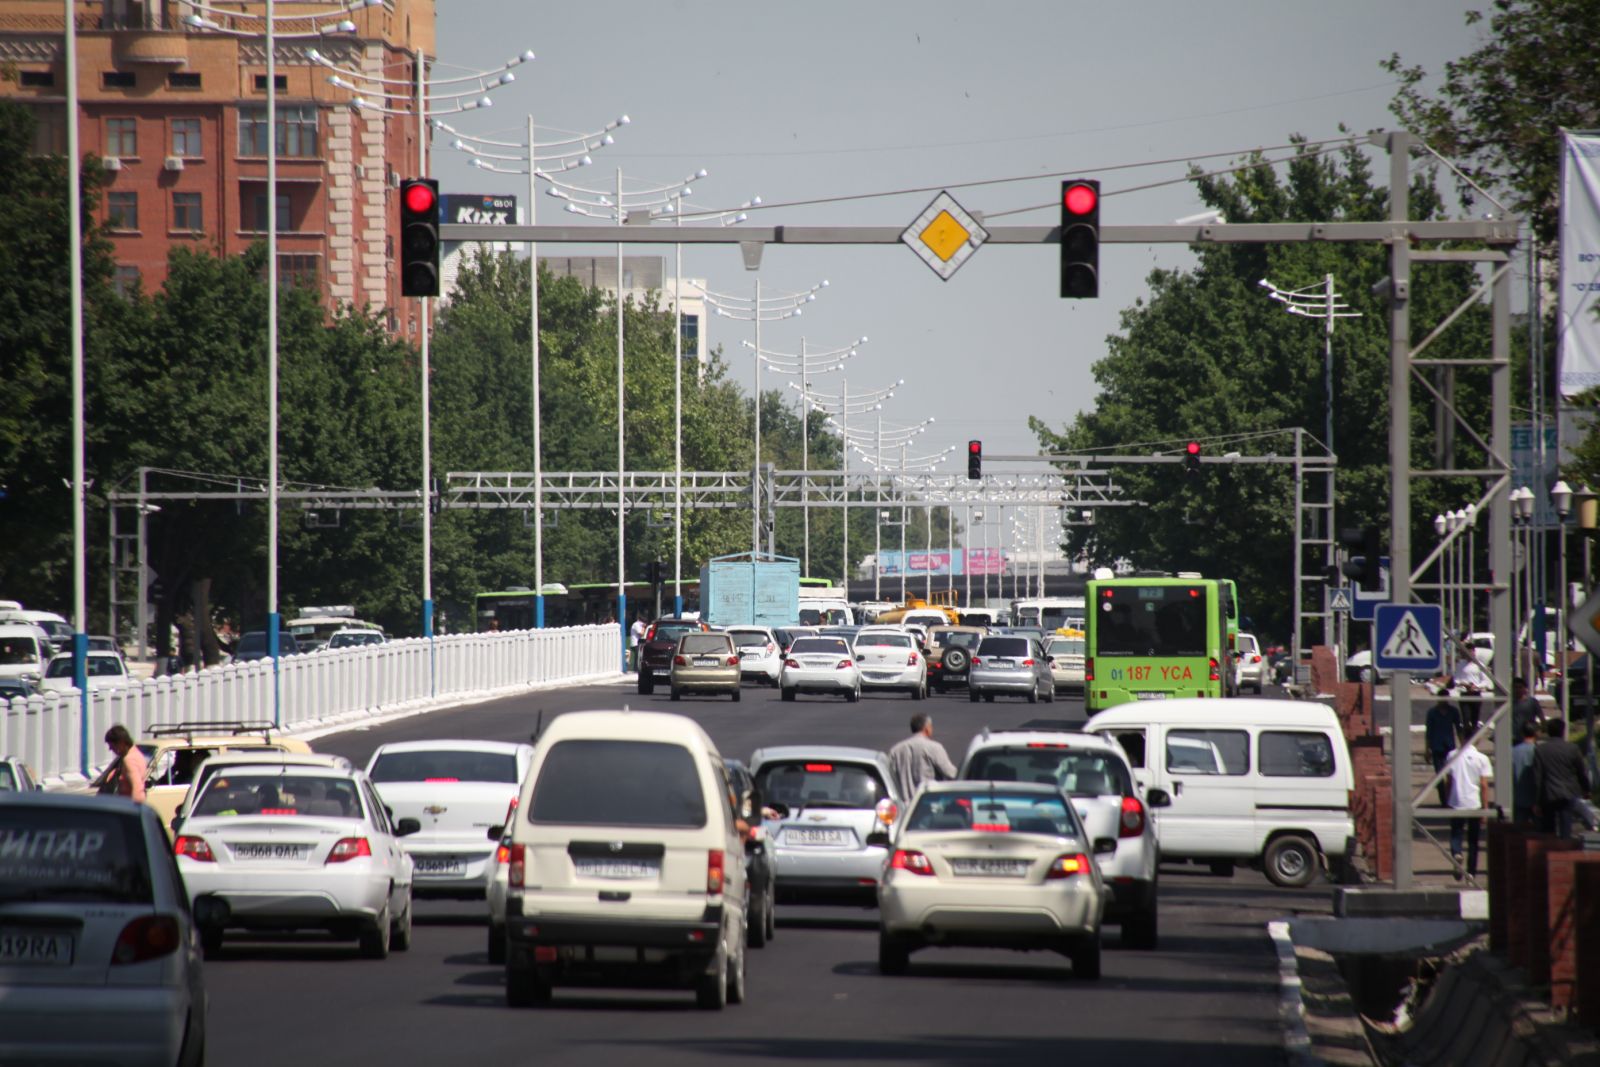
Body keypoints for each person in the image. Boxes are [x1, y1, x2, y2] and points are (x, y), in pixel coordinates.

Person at [1445, 731, 1493, 881]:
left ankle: (1457, 853)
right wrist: (1485, 809)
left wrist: (1447, 800)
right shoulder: (1482, 758)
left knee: (1456, 833)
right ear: (1477, 740)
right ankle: (1471, 873)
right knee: (1473, 840)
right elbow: (1484, 785)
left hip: (1456, 800)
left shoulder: (1452, 755)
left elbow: (1449, 780)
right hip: (1474, 803)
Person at [1533, 718, 1592, 838]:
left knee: (1548, 827)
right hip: (1568, 792)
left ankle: (1549, 849)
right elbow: (1581, 771)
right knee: (1566, 823)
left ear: (1548, 732)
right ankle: (1564, 848)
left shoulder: (1541, 749)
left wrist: (1537, 801)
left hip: (1548, 793)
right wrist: (1586, 789)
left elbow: (1537, 776)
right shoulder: (1572, 748)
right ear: (1563, 731)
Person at [887, 714, 957, 800]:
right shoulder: (934, 747)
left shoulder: (895, 750)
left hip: (903, 804)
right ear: (927, 728)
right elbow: (951, 773)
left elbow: (888, 777)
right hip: (928, 804)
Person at [1423, 687, 1461, 806]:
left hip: (1450, 747)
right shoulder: (1432, 713)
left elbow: (1459, 729)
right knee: (1439, 775)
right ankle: (1443, 800)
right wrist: (1427, 749)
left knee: (1452, 774)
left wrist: (1463, 747)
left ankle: (1452, 798)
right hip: (1437, 747)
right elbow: (1429, 732)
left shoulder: (1453, 711)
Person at [101, 724, 147, 803]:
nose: (110, 749)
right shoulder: (137, 754)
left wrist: (133, 810)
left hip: (128, 806)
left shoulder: (129, 759)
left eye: (112, 746)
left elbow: (137, 788)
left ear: (121, 743)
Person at [1511, 719, 1540, 828]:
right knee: (1538, 832)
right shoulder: (1539, 750)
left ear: (1522, 733)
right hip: (1536, 798)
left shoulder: (1513, 751)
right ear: (1536, 733)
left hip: (1518, 796)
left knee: (1519, 832)